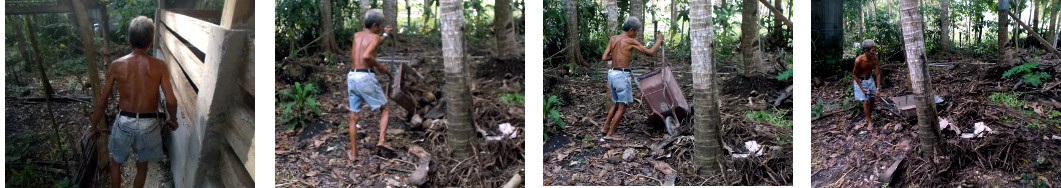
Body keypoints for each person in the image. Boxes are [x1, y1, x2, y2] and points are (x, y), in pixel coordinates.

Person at [89, 16, 178, 188]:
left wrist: (93, 127)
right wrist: (172, 118)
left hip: (124, 121)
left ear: (129, 42)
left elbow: (102, 102)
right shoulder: (160, 66)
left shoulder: (116, 65)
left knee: (116, 163)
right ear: (150, 43)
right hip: (149, 124)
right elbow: (171, 100)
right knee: (142, 166)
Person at [599, 17, 663, 141]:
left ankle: (605, 128)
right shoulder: (630, 41)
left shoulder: (613, 39)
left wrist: (617, 57)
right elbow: (650, 52)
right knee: (623, 106)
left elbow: (604, 57)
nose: (637, 34)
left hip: (612, 73)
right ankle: (610, 134)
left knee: (617, 103)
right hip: (621, 75)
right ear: (631, 30)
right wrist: (659, 41)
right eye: (637, 31)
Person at [347, 9, 394, 163]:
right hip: (365, 76)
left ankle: (354, 154)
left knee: (354, 117)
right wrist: (380, 66)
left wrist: (385, 36)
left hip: (352, 76)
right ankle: (382, 140)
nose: (380, 29)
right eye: (380, 27)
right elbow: (367, 55)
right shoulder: (374, 37)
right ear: (374, 25)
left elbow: (372, 41)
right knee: (385, 107)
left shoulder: (357, 35)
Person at [852, 39, 882, 131]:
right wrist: (861, 88)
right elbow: (854, 75)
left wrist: (877, 88)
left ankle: (869, 115)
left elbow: (877, 74)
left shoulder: (874, 59)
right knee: (865, 101)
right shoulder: (859, 60)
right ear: (866, 51)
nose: (874, 52)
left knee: (872, 99)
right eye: (873, 50)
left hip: (869, 80)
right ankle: (869, 121)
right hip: (860, 81)